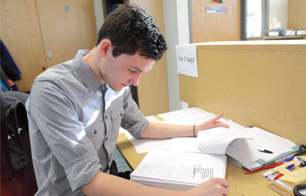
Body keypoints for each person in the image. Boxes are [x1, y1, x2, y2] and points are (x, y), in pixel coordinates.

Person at [26, 4, 230, 196]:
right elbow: (90, 182)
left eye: (142, 73)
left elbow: (141, 127)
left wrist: (195, 129)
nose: (136, 82)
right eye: (133, 70)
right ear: (106, 49)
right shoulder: (53, 90)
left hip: (107, 179)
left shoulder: (115, 82)